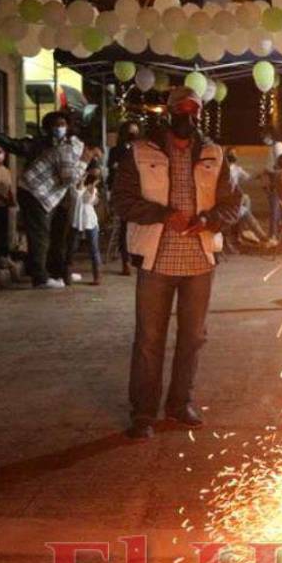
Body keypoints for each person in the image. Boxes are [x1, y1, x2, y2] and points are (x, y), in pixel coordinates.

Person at [112, 86, 240, 439]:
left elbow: (233, 203)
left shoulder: (213, 154)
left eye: (194, 109)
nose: (189, 116)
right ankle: (143, 414)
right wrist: (162, 215)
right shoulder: (141, 152)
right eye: (182, 109)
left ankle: (180, 404)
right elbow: (122, 200)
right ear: (169, 112)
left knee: (193, 338)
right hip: (156, 260)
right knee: (149, 340)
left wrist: (210, 220)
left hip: (199, 261)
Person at [18, 112, 95, 288]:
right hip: (34, 191)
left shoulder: (71, 147)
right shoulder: (69, 149)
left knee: (53, 235)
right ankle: (40, 279)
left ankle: (55, 272)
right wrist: (84, 162)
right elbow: (68, 178)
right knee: (40, 235)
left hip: (43, 194)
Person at [108, 119, 143, 276]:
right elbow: (113, 168)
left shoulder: (142, 149)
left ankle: (137, 258)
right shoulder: (116, 150)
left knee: (139, 227)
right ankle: (125, 261)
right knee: (124, 228)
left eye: (135, 132)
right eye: (130, 132)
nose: (133, 135)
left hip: (139, 193)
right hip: (124, 194)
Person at [67, 163, 103, 285]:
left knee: (94, 249)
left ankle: (97, 277)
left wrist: (92, 188)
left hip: (90, 221)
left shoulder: (93, 189)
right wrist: (81, 182)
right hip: (76, 221)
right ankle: (67, 275)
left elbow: (89, 200)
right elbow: (76, 196)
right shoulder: (73, 187)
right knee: (71, 248)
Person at [264, 140, 282, 238]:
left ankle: (275, 233)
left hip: (275, 178)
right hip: (274, 178)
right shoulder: (275, 146)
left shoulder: (278, 145)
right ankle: (274, 233)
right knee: (275, 208)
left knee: (276, 208)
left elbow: (279, 163)